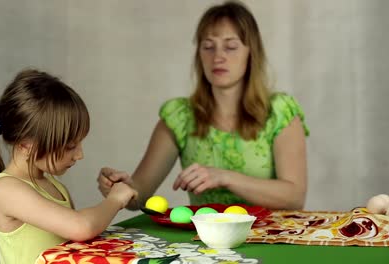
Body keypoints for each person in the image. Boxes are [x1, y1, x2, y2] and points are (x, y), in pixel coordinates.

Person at [98, 1, 309, 210]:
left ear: (251, 53)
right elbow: (139, 197)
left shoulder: (280, 111)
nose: (218, 57)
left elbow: (294, 197)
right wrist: (120, 189)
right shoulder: (179, 117)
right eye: (208, 47)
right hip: (205, 243)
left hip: (271, 239)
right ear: (199, 55)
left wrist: (226, 177)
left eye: (231, 46)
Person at [0, 69, 137, 264]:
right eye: (70, 146)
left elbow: (76, 247)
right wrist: (115, 199)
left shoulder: (54, 186)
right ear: (26, 144)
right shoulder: (5, 189)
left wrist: (121, 193)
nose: (80, 155)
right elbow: (81, 227)